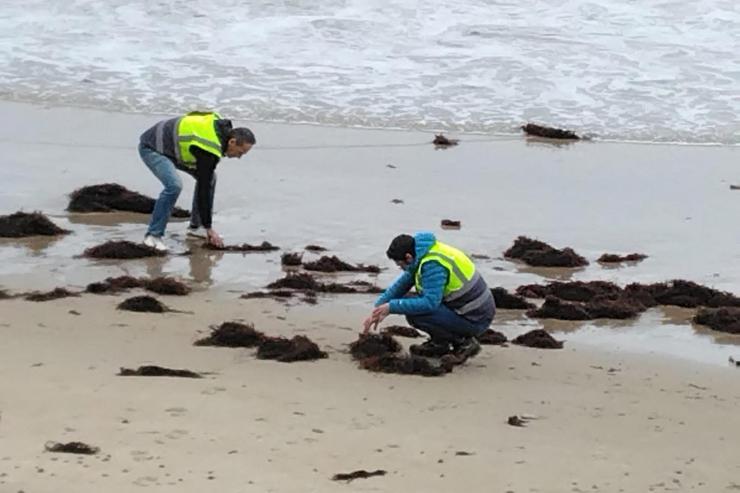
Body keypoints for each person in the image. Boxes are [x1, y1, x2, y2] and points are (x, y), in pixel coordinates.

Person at [363, 232, 495, 359]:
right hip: (467, 310)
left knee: (416, 314)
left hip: (476, 319)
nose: (401, 268)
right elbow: (401, 285)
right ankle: (440, 343)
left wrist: (391, 307)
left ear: (408, 257)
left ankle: (463, 342)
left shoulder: (433, 265)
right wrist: (378, 309)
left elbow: (430, 303)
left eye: (400, 265)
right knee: (409, 303)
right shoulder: (422, 253)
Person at [138, 111, 256, 251]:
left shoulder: (220, 133)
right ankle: (152, 236)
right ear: (232, 142)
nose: (239, 157)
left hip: (174, 148)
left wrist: (205, 226)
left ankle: (196, 227)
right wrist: (209, 228)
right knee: (174, 186)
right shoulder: (209, 148)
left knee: (210, 177)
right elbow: (203, 189)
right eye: (240, 152)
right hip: (152, 147)